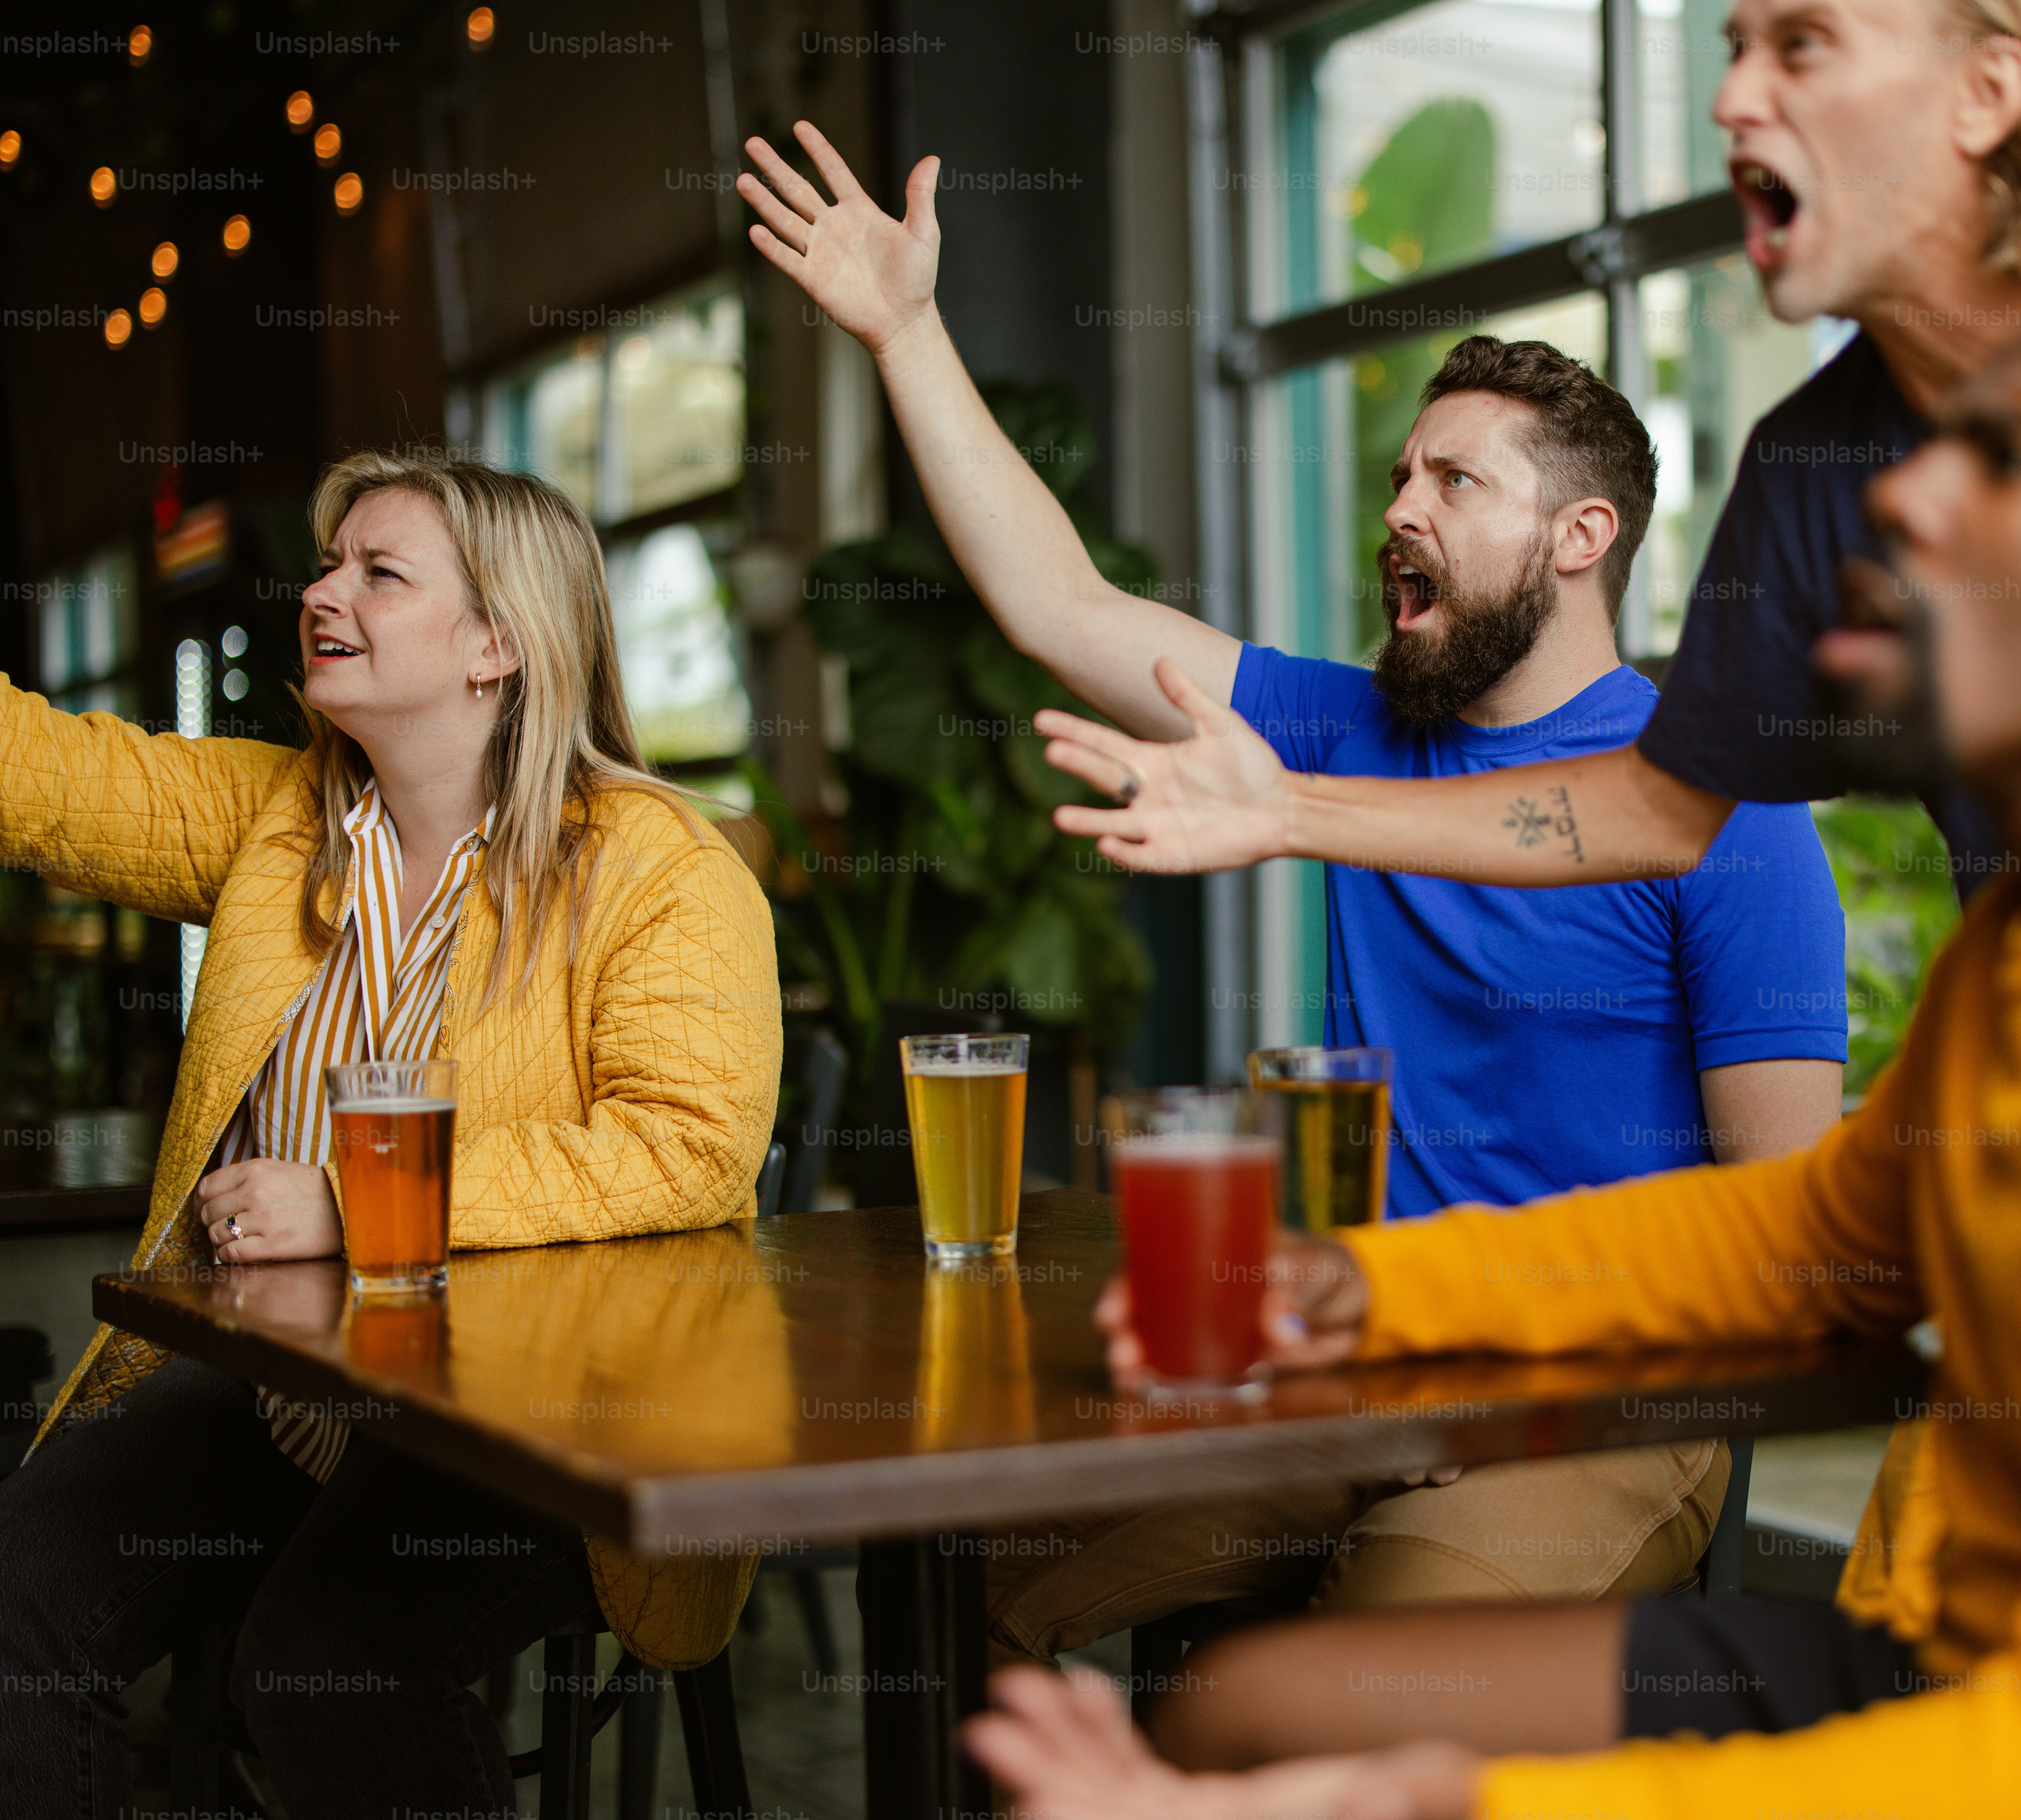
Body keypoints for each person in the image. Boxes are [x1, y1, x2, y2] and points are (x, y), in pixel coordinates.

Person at [1018, 0, 2021, 1661]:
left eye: (1801, 47)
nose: (1732, 95)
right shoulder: (1812, 471)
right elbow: (1652, 814)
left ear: (1987, 89)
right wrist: (1290, 806)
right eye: (1733, 44)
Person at [736, 124, 1849, 1654]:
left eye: (1455, 479)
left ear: (1579, 538)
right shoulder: (1340, 727)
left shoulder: (1723, 804)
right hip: (1340, 1370)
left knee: (1325, 1692)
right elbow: (1057, 603)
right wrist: (907, 331)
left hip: (1597, 1406)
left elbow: (1781, 1236)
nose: (1401, 505)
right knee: (963, 1573)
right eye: (1401, 473)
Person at [0, 453, 782, 1817]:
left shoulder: (660, 867)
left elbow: (684, 1149)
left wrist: (363, 1199)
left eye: (381, 571)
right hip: (294, 1390)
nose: (324, 590)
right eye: (331, 564)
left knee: (327, 1658)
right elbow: (30, 768)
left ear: (497, 642)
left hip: (539, 1420)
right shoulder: (281, 820)